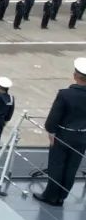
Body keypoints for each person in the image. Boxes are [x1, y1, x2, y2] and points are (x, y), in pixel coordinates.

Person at [36, 58, 86, 206]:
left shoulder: (65, 94)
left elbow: (54, 117)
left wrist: (51, 131)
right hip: (82, 137)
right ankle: (62, 196)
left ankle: (50, 196)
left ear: (75, 76)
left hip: (63, 135)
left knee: (57, 165)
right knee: (72, 167)